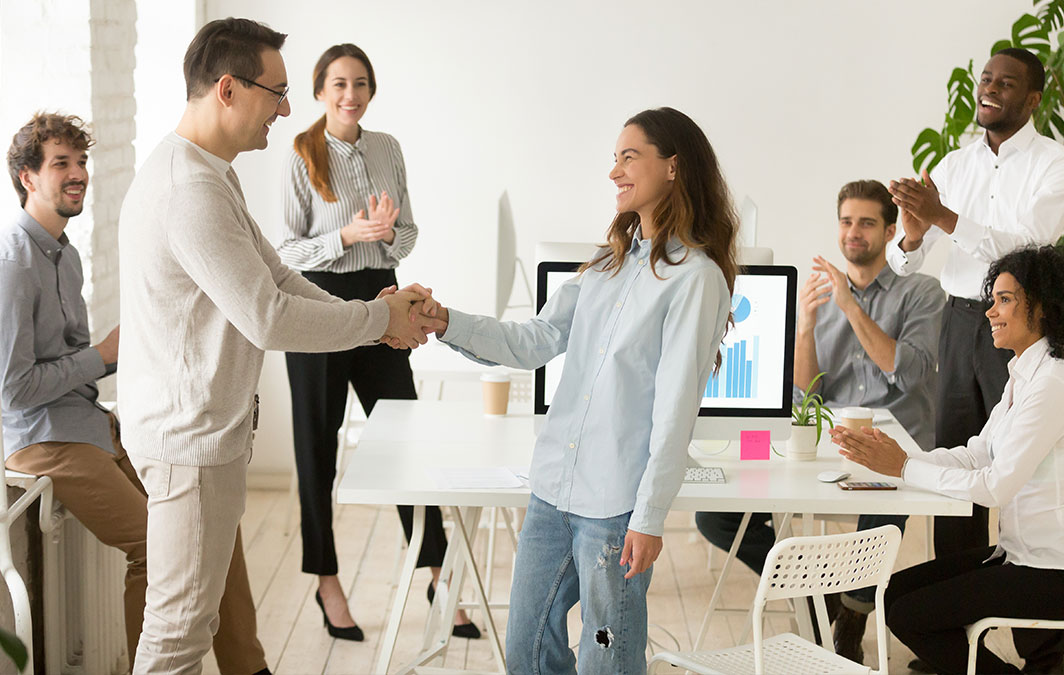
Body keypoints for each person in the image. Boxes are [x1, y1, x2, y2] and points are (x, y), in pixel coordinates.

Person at [117, 19, 439, 673]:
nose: (289, 109)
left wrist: (376, 310)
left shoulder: (210, 173)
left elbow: (279, 275)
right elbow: (267, 316)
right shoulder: (189, 191)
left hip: (204, 434)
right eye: (279, 91)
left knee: (196, 619)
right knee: (177, 632)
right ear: (229, 89)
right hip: (188, 441)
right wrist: (377, 322)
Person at [416, 107, 735, 674]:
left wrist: (650, 517)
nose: (614, 171)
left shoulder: (696, 278)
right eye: (614, 158)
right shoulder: (608, 264)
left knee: (605, 664)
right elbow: (534, 340)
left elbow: (675, 409)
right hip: (552, 495)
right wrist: (445, 322)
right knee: (527, 651)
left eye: (628, 157)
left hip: (616, 510)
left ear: (672, 167)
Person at [1, 112, 271, 675]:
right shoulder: (13, 265)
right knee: (159, 552)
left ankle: (250, 668)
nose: (78, 174)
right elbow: (13, 389)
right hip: (42, 440)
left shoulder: (64, 255)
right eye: (60, 165)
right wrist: (99, 357)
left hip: (90, 422)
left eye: (81, 163)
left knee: (213, 524)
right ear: (27, 177)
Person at [833, 245, 1064, 675]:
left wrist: (903, 468)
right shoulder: (1024, 374)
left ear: (1042, 308)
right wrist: (902, 459)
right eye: (993, 299)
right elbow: (977, 453)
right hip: (1023, 555)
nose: (989, 312)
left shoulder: (1054, 383)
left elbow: (995, 486)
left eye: (1005, 300)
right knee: (892, 596)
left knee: (909, 615)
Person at [694, 179, 943, 663]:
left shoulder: (922, 292)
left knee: (886, 498)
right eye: (847, 221)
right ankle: (818, 595)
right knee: (716, 517)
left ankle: (851, 614)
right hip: (828, 440)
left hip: (895, 440)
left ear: (891, 231)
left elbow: (908, 371)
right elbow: (803, 396)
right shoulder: (818, 295)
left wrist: (850, 305)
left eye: (867, 222)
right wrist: (805, 327)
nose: (854, 232)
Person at [278, 43, 476, 641]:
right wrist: (345, 234)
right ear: (319, 90)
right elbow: (287, 251)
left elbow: (409, 231)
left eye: (360, 83)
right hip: (317, 304)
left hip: (382, 298)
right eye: (338, 83)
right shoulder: (300, 154)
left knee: (404, 438)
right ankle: (326, 580)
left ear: (371, 89)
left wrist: (387, 236)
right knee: (317, 448)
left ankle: (438, 574)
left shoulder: (388, 148)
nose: (350, 94)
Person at [886, 47, 1064, 558]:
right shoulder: (953, 166)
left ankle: (1031, 588)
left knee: (1022, 464)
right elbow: (905, 261)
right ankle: (955, 597)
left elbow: (1026, 249)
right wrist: (912, 234)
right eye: (987, 79)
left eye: (1007, 83)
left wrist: (945, 217)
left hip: (1020, 321)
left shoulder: (1058, 166)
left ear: (1034, 98)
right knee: (957, 449)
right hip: (957, 322)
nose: (991, 89)